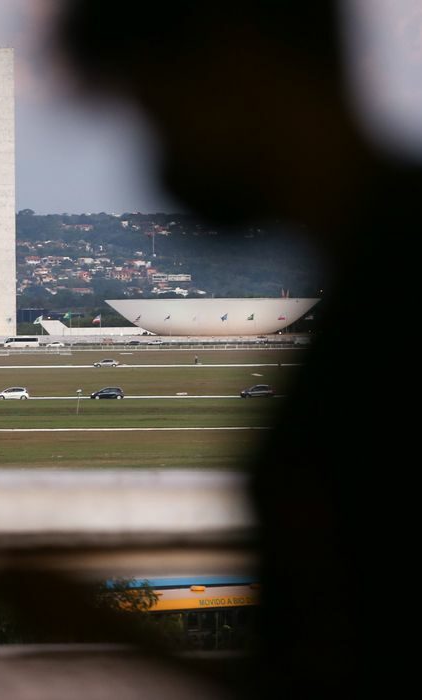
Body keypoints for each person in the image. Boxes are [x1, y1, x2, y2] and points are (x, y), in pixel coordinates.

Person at [52, 1, 413, 694]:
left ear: (239, 66)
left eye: (156, 106)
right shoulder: (372, 269)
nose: (157, 159)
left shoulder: (392, 288)